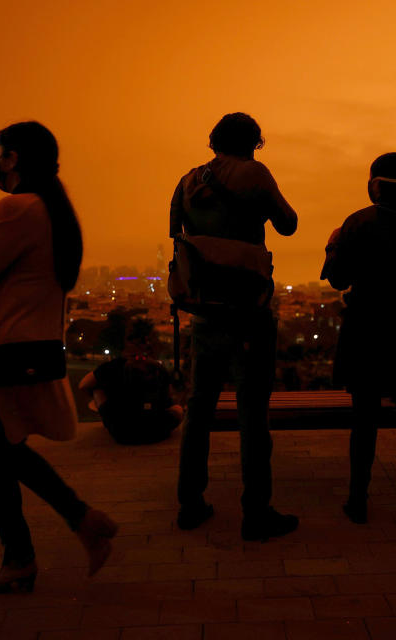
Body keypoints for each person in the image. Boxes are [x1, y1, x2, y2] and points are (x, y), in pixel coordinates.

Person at [0, 121, 116, 593]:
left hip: (5, 352)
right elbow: (19, 285)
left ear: (13, 158)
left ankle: (29, 554)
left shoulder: (15, 209)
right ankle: (76, 526)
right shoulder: (53, 211)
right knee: (2, 452)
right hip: (34, 347)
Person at [170, 112, 300, 541]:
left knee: (198, 408)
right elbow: (288, 223)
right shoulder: (254, 174)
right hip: (248, 309)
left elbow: (178, 237)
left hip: (205, 310)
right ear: (255, 142)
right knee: (252, 414)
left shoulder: (187, 181)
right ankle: (256, 511)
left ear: (213, 141)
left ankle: (190, 504)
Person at [321, 152, 396, 523]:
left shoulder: (357, 223)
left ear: (374, 183)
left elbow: (338, 279)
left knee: (364, 420)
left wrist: (333, 245)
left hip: (366, 329)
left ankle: (358, 501)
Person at [78, 346, 183, 445]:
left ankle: (111, 416)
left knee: (97, 389)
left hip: (122, 432)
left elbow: (84, 385)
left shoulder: (112, 367)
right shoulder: (159, 368)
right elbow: (170, 396)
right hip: (157, 431)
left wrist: (105, 402)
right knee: (177, 409)